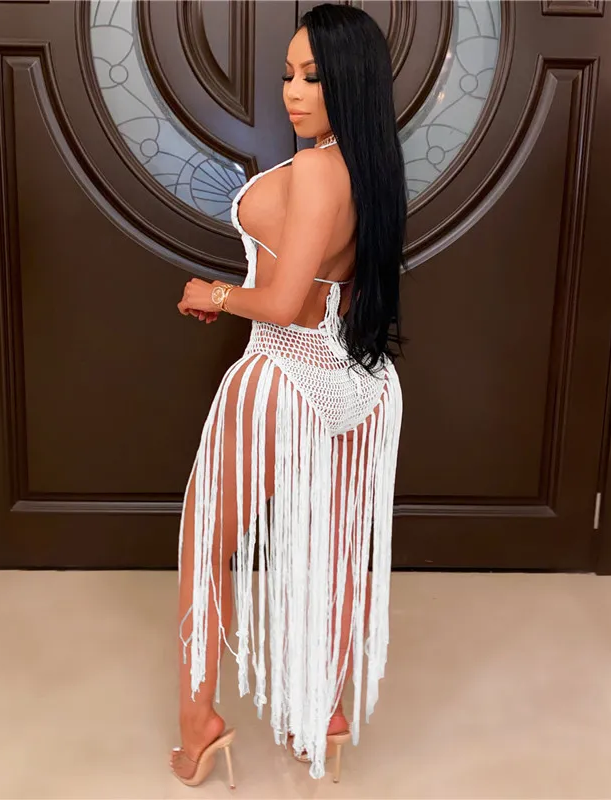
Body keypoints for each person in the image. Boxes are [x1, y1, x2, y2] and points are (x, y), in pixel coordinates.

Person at [170, 2, 406, 787]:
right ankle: (325, 715)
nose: (293, 93)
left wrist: (213, 293)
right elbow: (330, 291)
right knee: (331, 552)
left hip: (282, 373)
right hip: (355, 380)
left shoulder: (313, 171)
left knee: (205, 543)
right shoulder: (371, 171)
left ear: (351, 81)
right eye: (288, 75)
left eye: (313, 77)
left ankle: (198, 727)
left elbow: (280, 304)